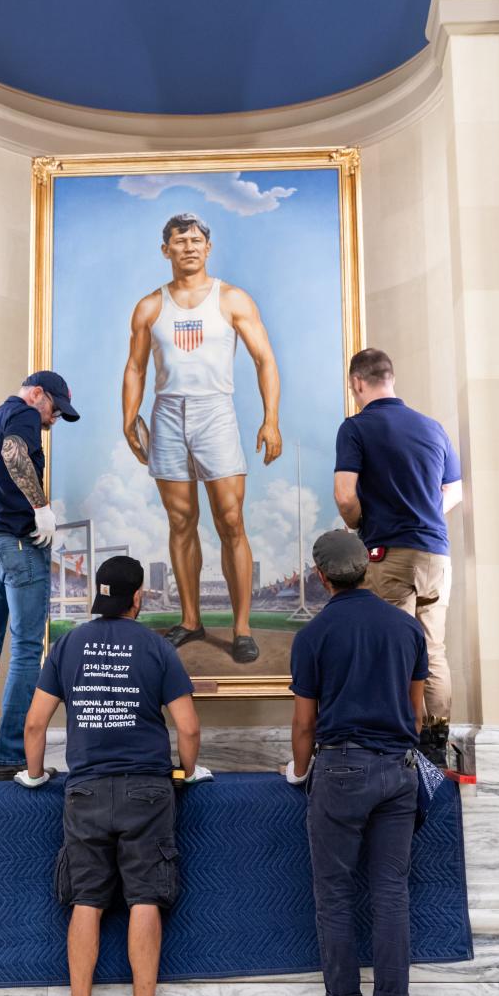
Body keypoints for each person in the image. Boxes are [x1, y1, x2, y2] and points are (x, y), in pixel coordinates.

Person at [19, 555, 210, 996]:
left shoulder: (68, 644)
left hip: (85, 791)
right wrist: (187, 772)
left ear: (97, 596)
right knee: (145, 896)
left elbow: (34, 724)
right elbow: (188, 728)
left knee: (87, 900)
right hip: (147, 791)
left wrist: (35, 774)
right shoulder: (157, 647)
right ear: (139, 597)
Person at [281, 530, 429, 996]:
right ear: (365, 570)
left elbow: (304, 726)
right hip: (398, 771)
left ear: (322, 577)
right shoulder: (407, 629)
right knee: (391, 894)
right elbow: (415, 714)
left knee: (336, 896)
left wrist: (300, 773)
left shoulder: (313, 635)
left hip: (340, 770)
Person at [122, 211, 282, 665]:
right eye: (180, 240)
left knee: (230, 520)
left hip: (216, 410)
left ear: (207, 248)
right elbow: (135, 367)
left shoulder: (231, 299)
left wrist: (271, 419)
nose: (189, 246)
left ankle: (242, 627)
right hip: (168, 412)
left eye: (196, 240)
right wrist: (128, 416)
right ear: (165, 249)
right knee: (180, 520)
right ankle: (191, 620)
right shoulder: (150, 307)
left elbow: (264, 359)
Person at [333, 348, 462, 765]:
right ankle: (436, 745)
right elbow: (454, 491)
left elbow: (345, 495)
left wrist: (358, 525)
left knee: (391, 649)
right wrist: (423, 513)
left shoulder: (356, 427)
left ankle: (397, 746)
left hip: (389, 554)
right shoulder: (432, 427)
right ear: (391, 377)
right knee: (433, 649)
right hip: (437, 555)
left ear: (357, 383)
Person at [0, 371, 79, 780]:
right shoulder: (21, 415)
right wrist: (39, 509)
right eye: (54, 408)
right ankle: (9, 758)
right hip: (17, 546)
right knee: (24, 650)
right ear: (36, 393)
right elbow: (13, 452)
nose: (53, 419)